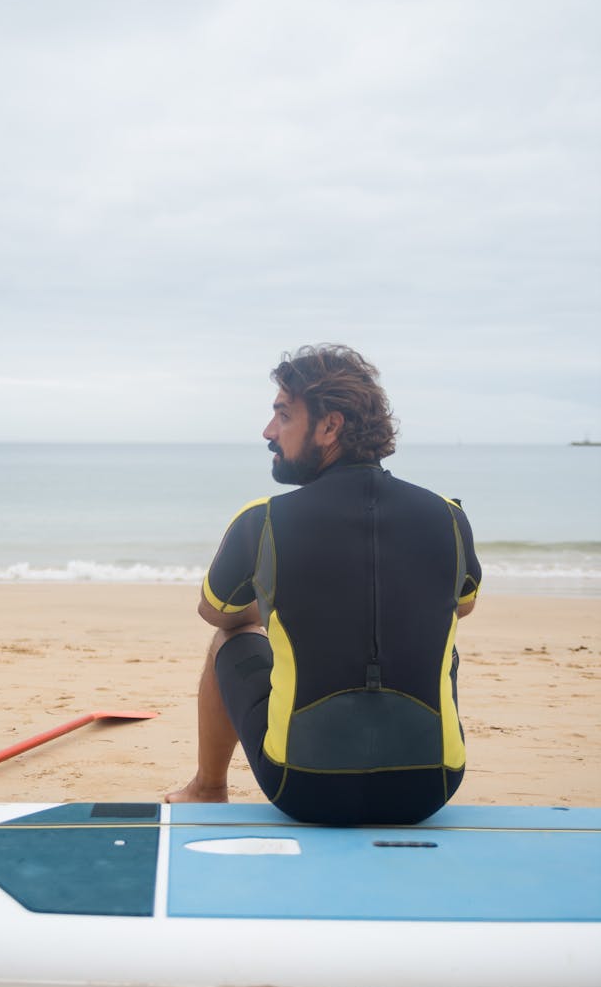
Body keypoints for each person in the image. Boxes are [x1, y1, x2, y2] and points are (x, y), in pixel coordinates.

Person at [166, 344, 481, 825]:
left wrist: (287, 605)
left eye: (283, 415)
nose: (269, 432)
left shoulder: (263, 521)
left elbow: (219, 613)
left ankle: (208, 788)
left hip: (304, 786)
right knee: (442, 641)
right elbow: (461, 606)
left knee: (228, 640)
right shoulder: (449, 516)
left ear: (330, 425)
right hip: (430, 786)